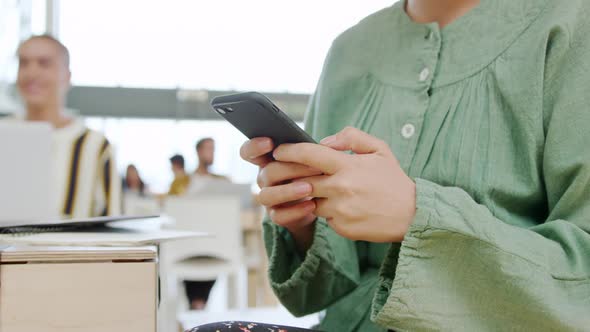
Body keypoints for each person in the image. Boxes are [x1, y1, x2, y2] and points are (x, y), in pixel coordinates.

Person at [194, 0, 590, 331]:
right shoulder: (350, 50)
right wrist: (305, 221)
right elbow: (324, 288)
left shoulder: (571, 25)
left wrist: (418, 214)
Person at [10, 34, 120, 218]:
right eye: (24, 63)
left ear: (67, 76)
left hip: (72, 247)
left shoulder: (94, 145)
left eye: (44, 63)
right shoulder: (5, 137)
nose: (31, 73)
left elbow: (115, 224)